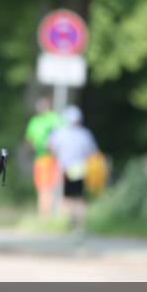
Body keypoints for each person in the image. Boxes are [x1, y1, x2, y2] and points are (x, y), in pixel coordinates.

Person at [47, 105, 99, 235]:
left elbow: (51, 149)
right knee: (79, 198)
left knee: (68, 198)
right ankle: (78, 225)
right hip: (81, 168)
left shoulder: (60, 133)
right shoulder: (85, 134)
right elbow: (93, 153)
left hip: (66, 167)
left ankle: (71, 222)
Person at [24, 97, 62, 216]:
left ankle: (52, 215)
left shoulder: (54, 118)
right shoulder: (34, 121)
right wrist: (36, 145)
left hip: (56, 158)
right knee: (43, 188)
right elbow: (29, 140)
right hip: (41, 158)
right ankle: (44, 215)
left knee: (54, 187)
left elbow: (62, 136)